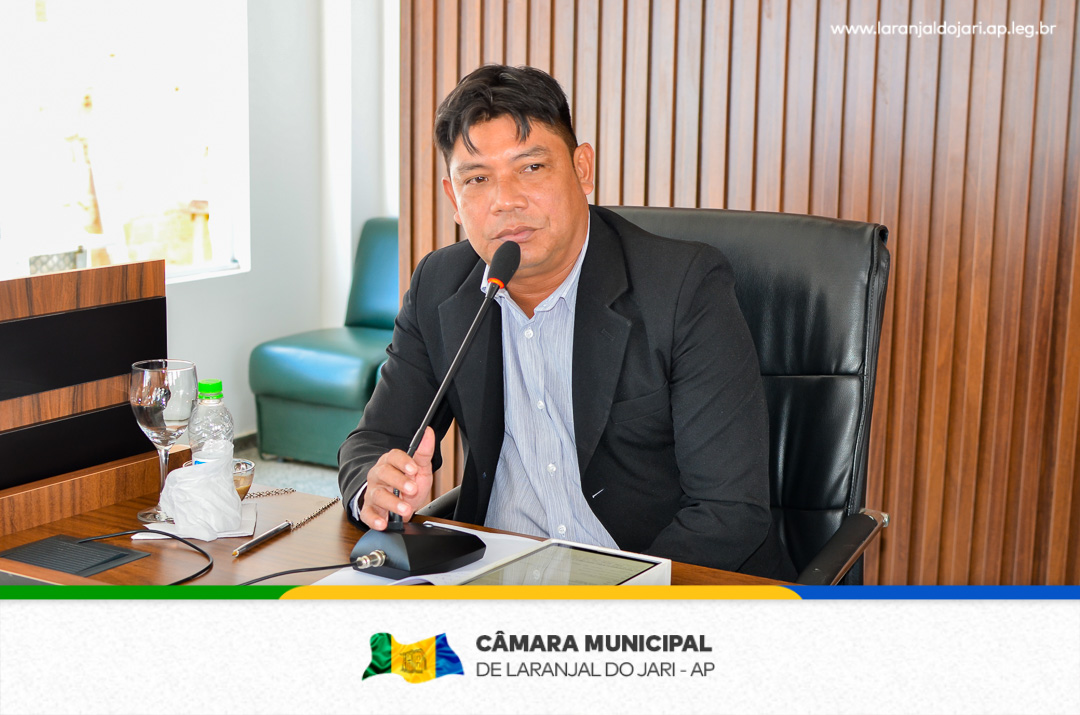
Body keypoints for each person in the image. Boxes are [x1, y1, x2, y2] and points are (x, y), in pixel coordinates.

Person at [338, 64, 795, 580]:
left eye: (531, 167)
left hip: (645, 583)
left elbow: (727, 512)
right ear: (454, 200)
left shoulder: (682, 287)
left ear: (582, 168)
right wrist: (375, 486)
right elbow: (374, 440)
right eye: (478, 179)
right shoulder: (440, 285)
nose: (506, 201)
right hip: (496, 573)